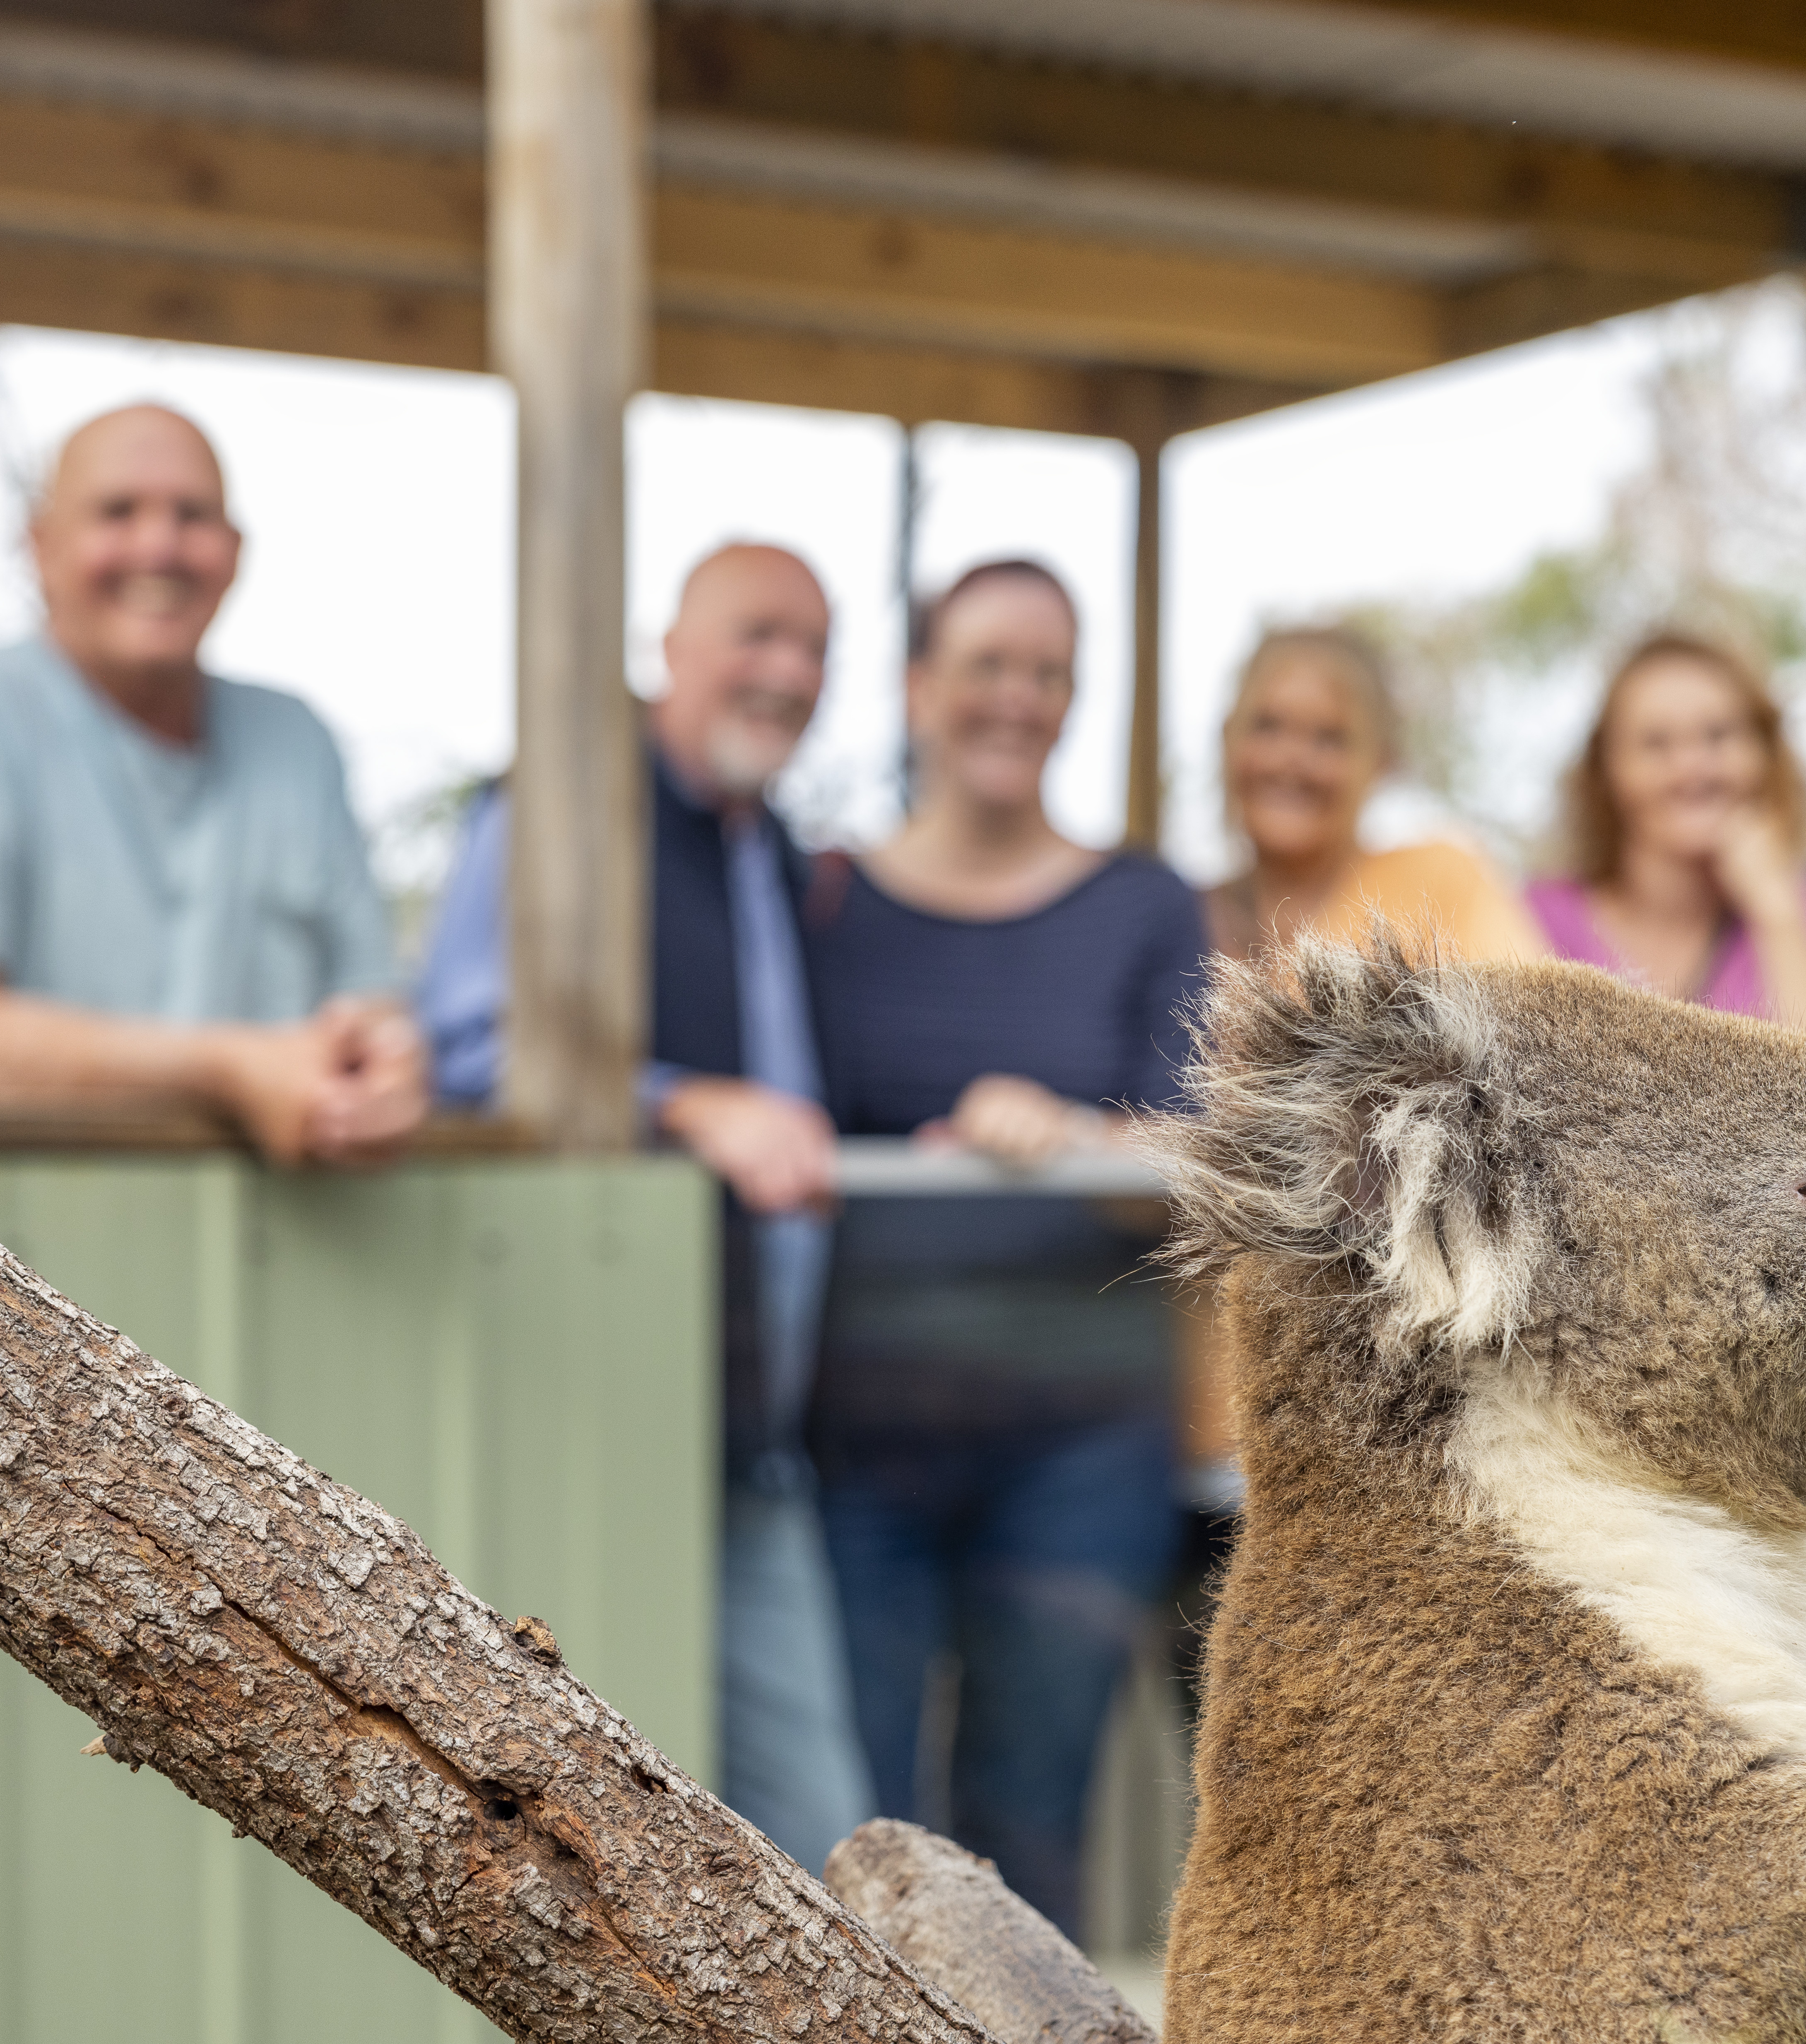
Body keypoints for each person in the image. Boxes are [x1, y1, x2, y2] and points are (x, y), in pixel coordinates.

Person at [411, 544, 874, 1876]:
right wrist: (682, 1105)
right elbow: (461, 1047)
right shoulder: (560, 802)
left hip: (752, 1439)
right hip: (588, 1417)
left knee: (829, 1844)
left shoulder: (773, 849)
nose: (784, 673)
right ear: (668, 643)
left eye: (811, 647)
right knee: (599, 1861)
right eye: (754, 635)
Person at [804, 558, 1212, 1942]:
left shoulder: (1143, 903)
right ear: (917, 686)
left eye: (1047, 671)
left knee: (1032, 1815)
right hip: (855, 1438)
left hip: (1077, 1448)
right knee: (854, 1814)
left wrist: (1074, 1136)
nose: (1015, 698)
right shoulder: (824, 899)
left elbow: (1197, 1150)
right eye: (985, 663)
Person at [0, 403, 425, 1166]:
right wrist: (231, 1070)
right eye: (117, 511)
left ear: (234, 553)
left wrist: (383, 1076)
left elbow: (371, 1014)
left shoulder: (296, 739)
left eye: (192, 515)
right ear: (41, 546)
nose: (159, 545)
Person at [1524, 632, 1806, 1046]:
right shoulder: (1539, 917)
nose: (1691, 766)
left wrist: (1778, 913)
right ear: (1607, 772)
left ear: (1765, 754)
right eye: (1655, 743)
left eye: (1718, 735)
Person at [1202, 626, 1547, 964]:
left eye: (1329, 738)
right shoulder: (1176, 916)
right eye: (1268, 726)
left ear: (1382, 762)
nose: (1292, 760)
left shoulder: (1437, 887)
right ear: (1226, 738)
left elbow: (1524, 1011)